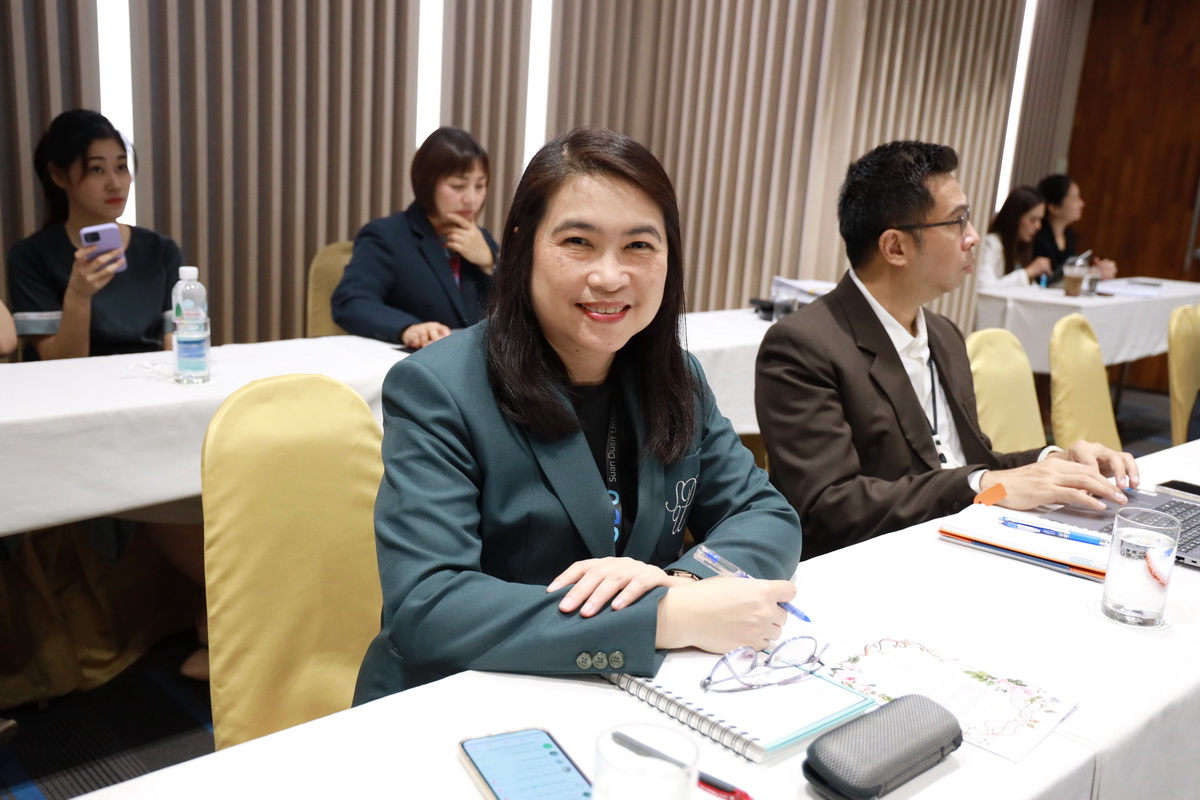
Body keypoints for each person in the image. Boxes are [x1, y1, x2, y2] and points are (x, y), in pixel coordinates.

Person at [354, 128, 802, 701]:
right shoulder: (439, 387)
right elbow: (428, 608)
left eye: (639, 246)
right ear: (523, 247)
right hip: (463, 699)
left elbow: (765, 513)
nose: (610, 276)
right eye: (578, 242)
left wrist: (685, 582)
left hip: (620, 698)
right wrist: (660, 618)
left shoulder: (677, 378)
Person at [755, 140, 1139, 560]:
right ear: (895, 247)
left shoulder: (944, 334)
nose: (972, 237)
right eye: (957, 222)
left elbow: (971, 461)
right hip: (878, 563)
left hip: (962, 541)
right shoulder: (804, 345)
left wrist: (1057, 461)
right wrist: (982, 485)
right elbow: (829, 506)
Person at [7, 109, 182, 362]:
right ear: (58, 175)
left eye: (121, 167)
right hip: (70, 385)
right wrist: (78, 295)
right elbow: (57, 364)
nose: (115, 183)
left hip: (146, 381)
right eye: (97, 170)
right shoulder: (31, 256)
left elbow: (176, 351)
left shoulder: (160, 250)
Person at [332, 126, 499, 349]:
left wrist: (491, 263)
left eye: (480, 185)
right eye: (458, 186)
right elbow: (351, 301)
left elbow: (517, 308)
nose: (471, 198)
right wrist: (407, 328)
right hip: (413, 360)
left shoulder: (481, 238)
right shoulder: (387, 235)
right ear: (427, 184)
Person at [1032, 174, 1117, 282]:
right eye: (1075, 198)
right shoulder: (1037, 237)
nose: (1081, 203)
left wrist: (1095, 272)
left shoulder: (1069, 236)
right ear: (1054, 207)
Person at [974, 185, 1053, 291]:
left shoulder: (1022, 247)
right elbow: (984, 287)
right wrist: (1028, 272)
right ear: (1014, 218)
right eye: (1032, 220)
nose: (1038, 226)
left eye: (1040, 220)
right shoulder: (991, 243)